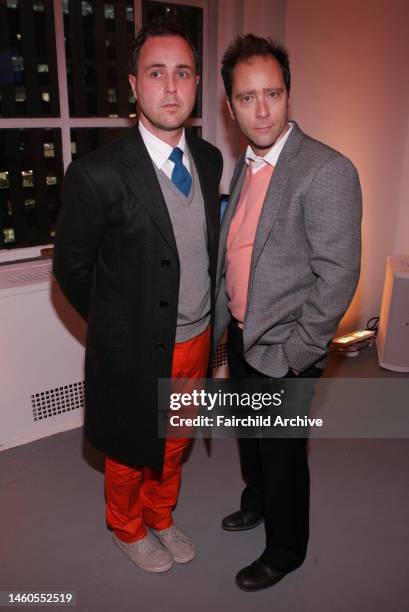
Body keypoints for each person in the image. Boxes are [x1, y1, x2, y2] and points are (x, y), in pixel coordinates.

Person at [53, 22, 222, 574]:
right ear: (133, 85)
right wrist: (117, 328)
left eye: (182, 73)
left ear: (196, 84)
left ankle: (161, 513)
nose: (170, 88)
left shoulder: (211, 159)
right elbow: (72, 270)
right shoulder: (97, 175)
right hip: (134, 350)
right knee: (128, 450)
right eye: (156, 73)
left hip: (196, 341)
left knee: (175, 443)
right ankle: (126, 527)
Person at [214, 34, 362, 591]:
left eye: (272, 94)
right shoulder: (244, 165)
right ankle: (256, 502)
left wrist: (297, 355)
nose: (261, 109)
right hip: (245, 337)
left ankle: (286, 549)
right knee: (251, 441)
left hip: (286, 348)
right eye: (247, 98)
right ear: (230, 106)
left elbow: (338, 275)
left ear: (288, 95)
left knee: (282, 455)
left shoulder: (325, 170)